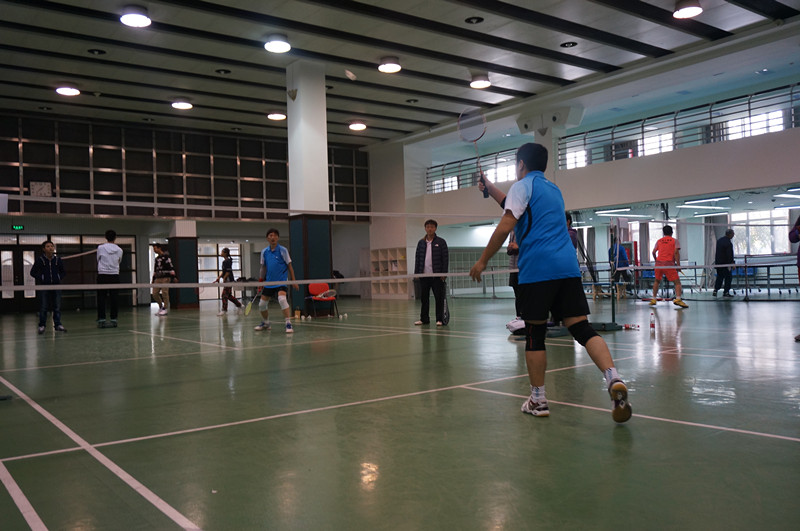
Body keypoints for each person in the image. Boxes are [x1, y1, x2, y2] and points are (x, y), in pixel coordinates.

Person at [469, 142, 631, 423]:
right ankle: (613, 377)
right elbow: (516, 204)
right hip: (567, 268)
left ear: (521, 164)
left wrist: (483, 260)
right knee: (581, 328)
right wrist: (490, 187)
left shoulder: (521, 187)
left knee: (535, 334)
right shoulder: (553, 190)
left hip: (538, 270)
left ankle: (538, 399)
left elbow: (507, 224)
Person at [255, 228, 296, 333]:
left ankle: (288, 324)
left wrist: (293, 281)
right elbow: (263, 267)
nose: (272, 237)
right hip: (269, 282)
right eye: (270, 236)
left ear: (278, 238)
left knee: (282, 299)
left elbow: (290, 266)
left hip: (281, 281)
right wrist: (261, 281)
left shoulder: (283, 250)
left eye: (274, 235)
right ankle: (266, 322)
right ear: (267, 238)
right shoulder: (264, 252)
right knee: (262, 304)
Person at [413, 219, 449, 326]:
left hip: (437, 276)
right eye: (428, 227)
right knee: (424, 299)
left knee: (439, 298)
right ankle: (424, 319)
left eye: (432, 227)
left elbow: (445, 258)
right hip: (424, 275)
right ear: (425, 228)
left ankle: (440, 319)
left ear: (435, 228)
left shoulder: (441, 242)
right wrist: (417, 273)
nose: (430, 229)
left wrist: (444, 273)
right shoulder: (421, 243)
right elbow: (417, 258)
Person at [30, 240, 67, 334]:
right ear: (44, 249)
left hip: (56, 286)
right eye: (48, 246)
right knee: (43, 307)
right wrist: (42, 278)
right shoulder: (40, 260)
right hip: (44, 286)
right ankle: (42, 325)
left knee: (57, 306)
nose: (50, 248)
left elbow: (63, 272)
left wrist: (58, 277)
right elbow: (32, 272)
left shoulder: (58, 260)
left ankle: (58, 324)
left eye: (52, 246)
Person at [650, 225, 688, 308]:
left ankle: (653, 299)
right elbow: (676, 253)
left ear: (663, 233)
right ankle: (678, 299)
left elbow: (653, 252)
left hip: (659, 264)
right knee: (677, 282)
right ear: (672, 232)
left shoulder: (659, 241)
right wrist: (678, 266)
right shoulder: (675, 241)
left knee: (657, 281)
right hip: (669, 264)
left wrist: (656, 260)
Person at [96, 229, 123, 328]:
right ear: (115, 238)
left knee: (101, 298)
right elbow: (119, 261)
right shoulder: (119, 250)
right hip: (114, 275)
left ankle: (101, 319)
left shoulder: (100, 248)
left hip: (102, 275)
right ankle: (114, 319)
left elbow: (98, 259)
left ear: (105, 237)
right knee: (114, 298)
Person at [213, 247, 243, 316]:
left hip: (229, 281)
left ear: (225, 253)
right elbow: (224, 271)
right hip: (227, 280)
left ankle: (224, 310)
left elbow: (228, 272)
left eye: (222, 252)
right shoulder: (225, 261)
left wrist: (224, 279)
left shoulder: (227, 261)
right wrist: (219, 277)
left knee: (224, 295)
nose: (221, 253)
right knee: (228, 295)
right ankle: (239, 305)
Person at [152, 243, 176, 316]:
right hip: (158, 278)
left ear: (159, 248)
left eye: (155, 248)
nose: (154, 250)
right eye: (153, 249)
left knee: (164, 293)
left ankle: (165, 308)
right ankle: (161, 306)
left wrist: (173, 276)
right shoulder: (157, 259)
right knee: (154, 293)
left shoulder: (166, 257)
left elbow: (170, 266)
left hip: (165, 277)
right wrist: (153, 279)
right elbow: (155, 269)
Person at [713, 229, 735, 297]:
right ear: (730, 234)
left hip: (718, 263)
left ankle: (715, 290)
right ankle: (726, 292)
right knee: (728, 278)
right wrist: (732, 263)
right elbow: (729, 254)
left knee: (719, 277)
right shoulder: (728, 243)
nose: (733, 235)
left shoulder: (719, 241)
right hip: (726, 264)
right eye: (733, 234)